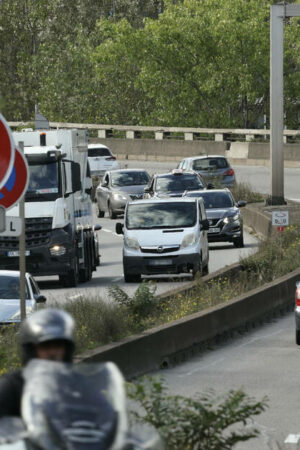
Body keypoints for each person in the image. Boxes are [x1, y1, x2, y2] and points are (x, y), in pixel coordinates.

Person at [0, 308, 75, 417]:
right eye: (45, 346)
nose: (52, 352)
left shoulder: (77, 386)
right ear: (31, 350)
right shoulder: (13, 387)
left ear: (67, 349)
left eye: (58, 345)